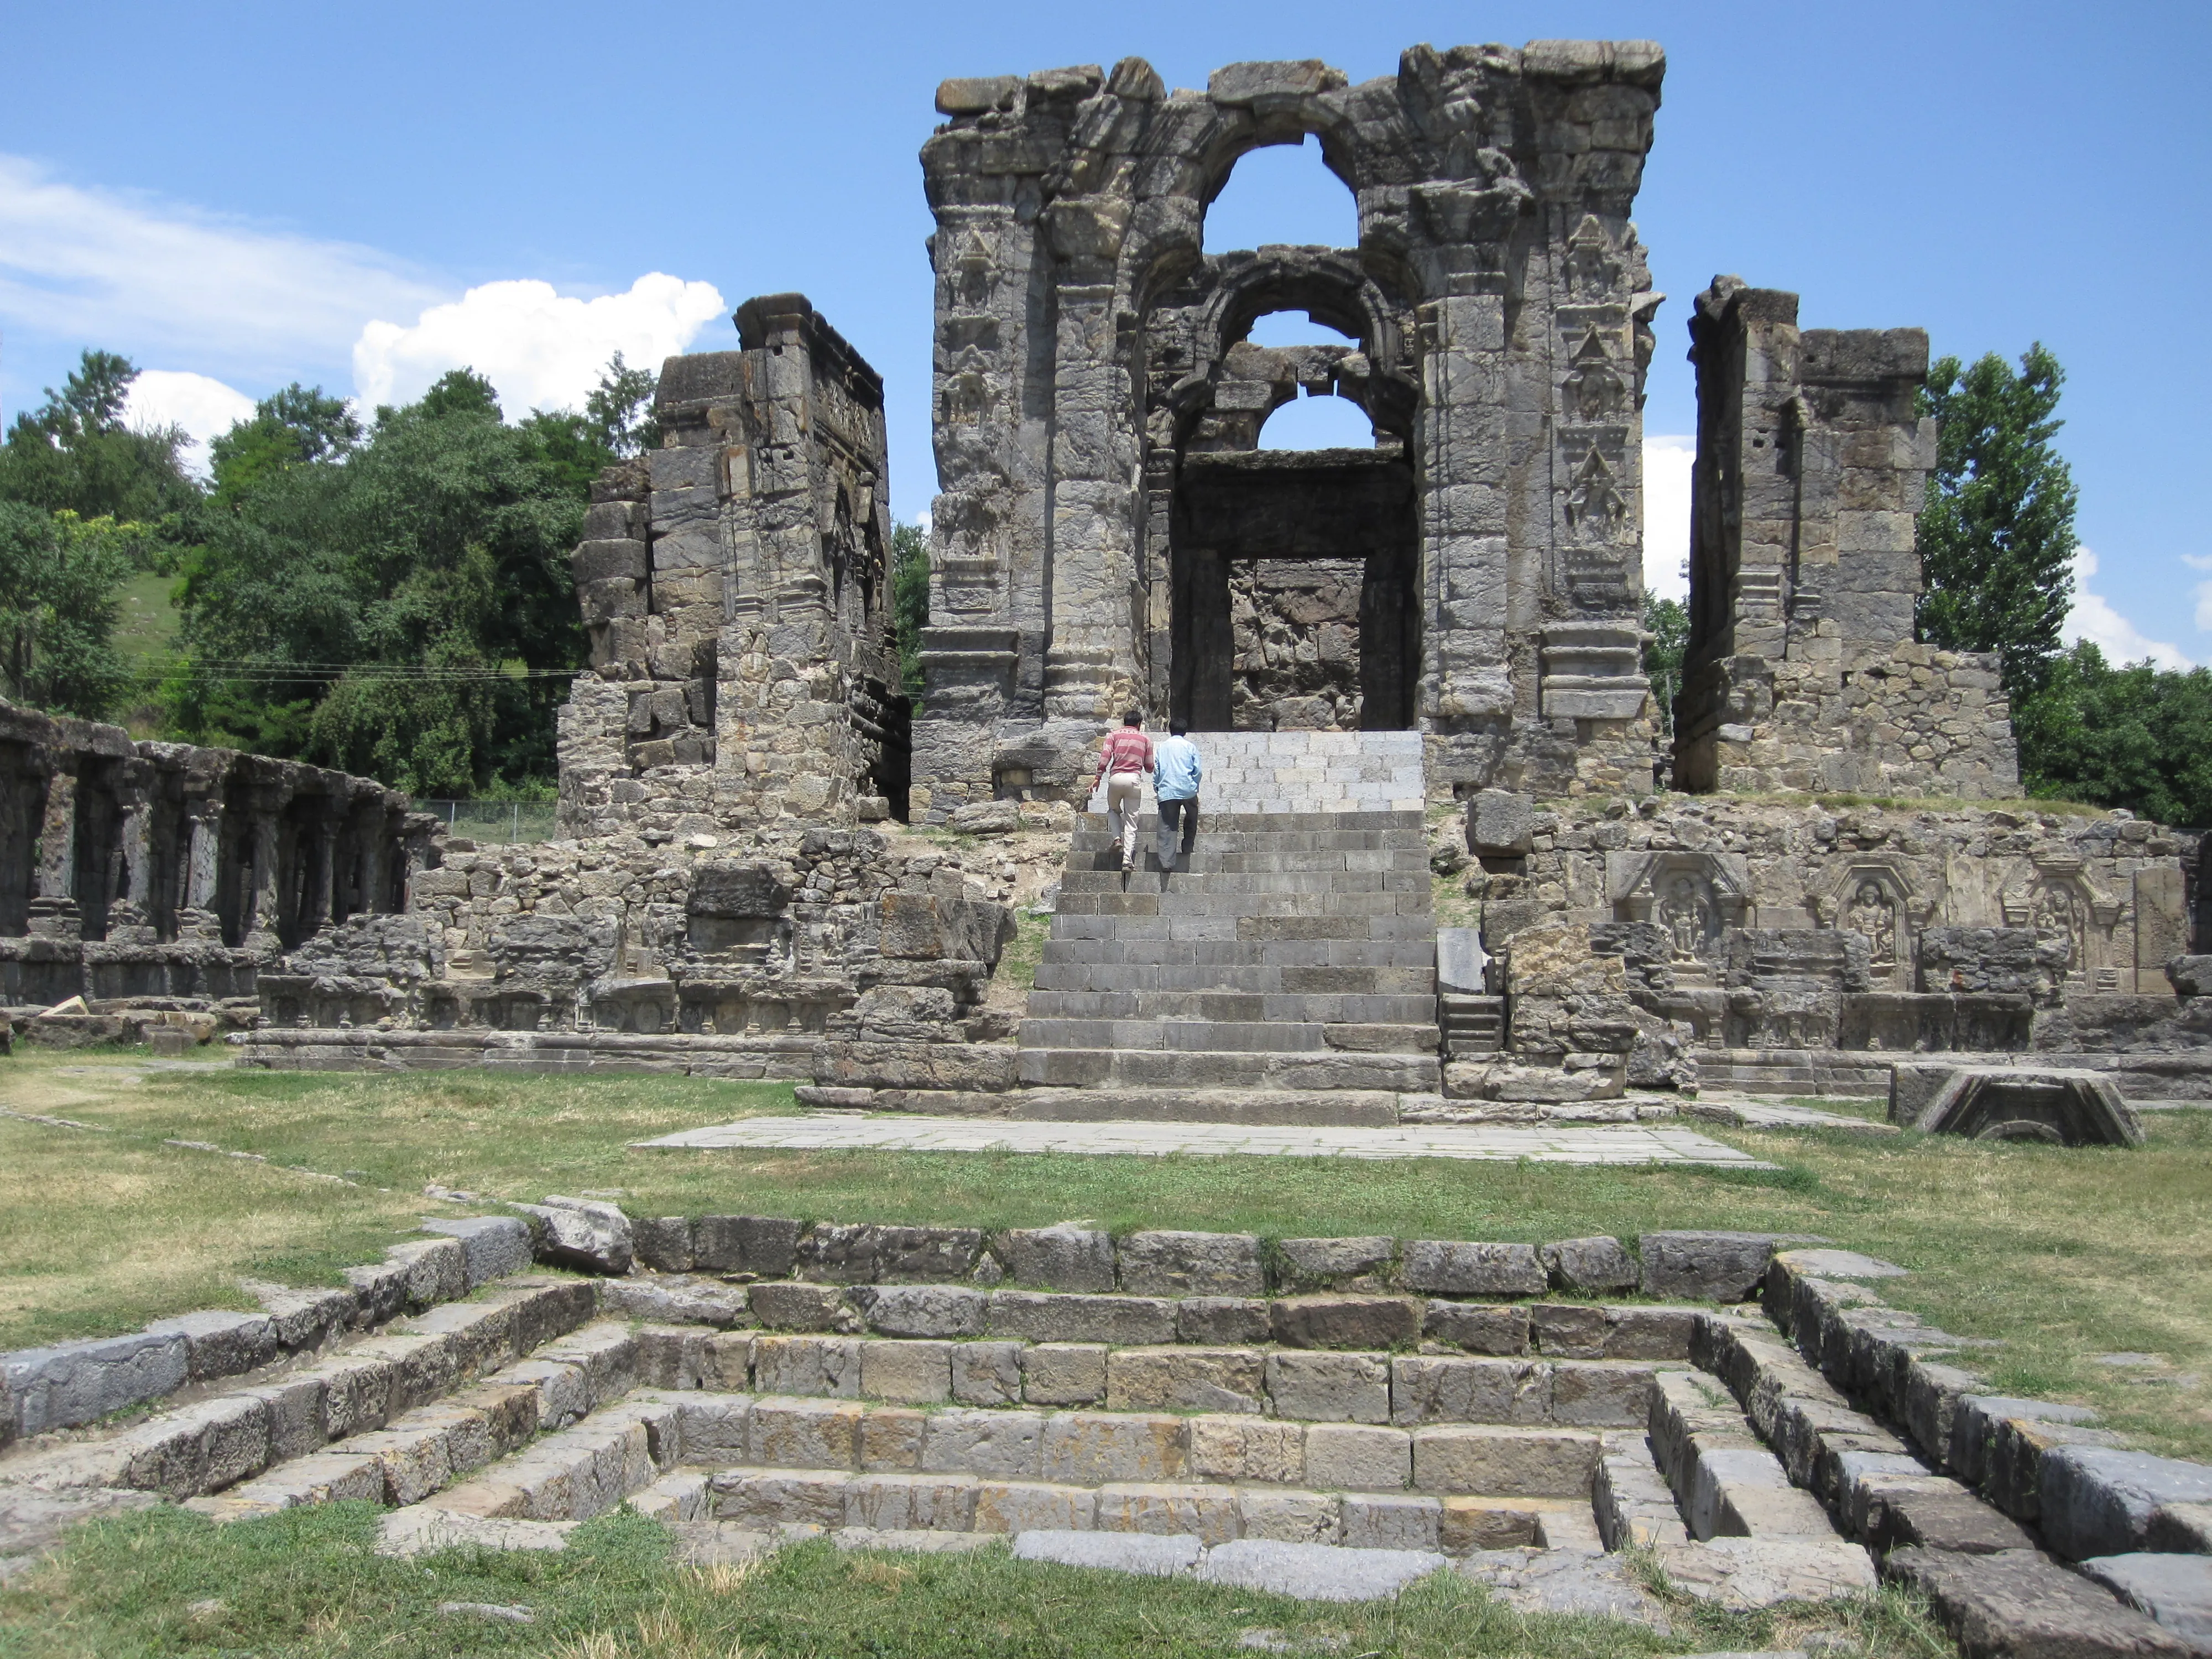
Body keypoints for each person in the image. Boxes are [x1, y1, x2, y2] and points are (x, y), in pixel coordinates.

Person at [1092, 710, 1152, 870]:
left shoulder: (1113, 735)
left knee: (1113, 810)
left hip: (1116, 779)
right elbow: (1149, 767)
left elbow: (1104, 758)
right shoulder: (1146, 739)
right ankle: (1127, 860)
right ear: (1139, 724)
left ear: (1124, 722)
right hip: (1133, 780)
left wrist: (1098, 777)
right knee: (1132, 821)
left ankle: (1117, 838)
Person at [1153, 721, 1203, 872]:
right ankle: (1188, 845)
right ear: (1185, 731)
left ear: (1170, 730)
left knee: (1166, 825)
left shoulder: (1162, 747)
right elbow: (1198, 770)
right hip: (1188, 790)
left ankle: (1166, 862)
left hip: (1167, 790)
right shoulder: (1190, 747)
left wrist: (1157, 786)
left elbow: (1157, 770)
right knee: (1192, 815)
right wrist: (1194, 785)